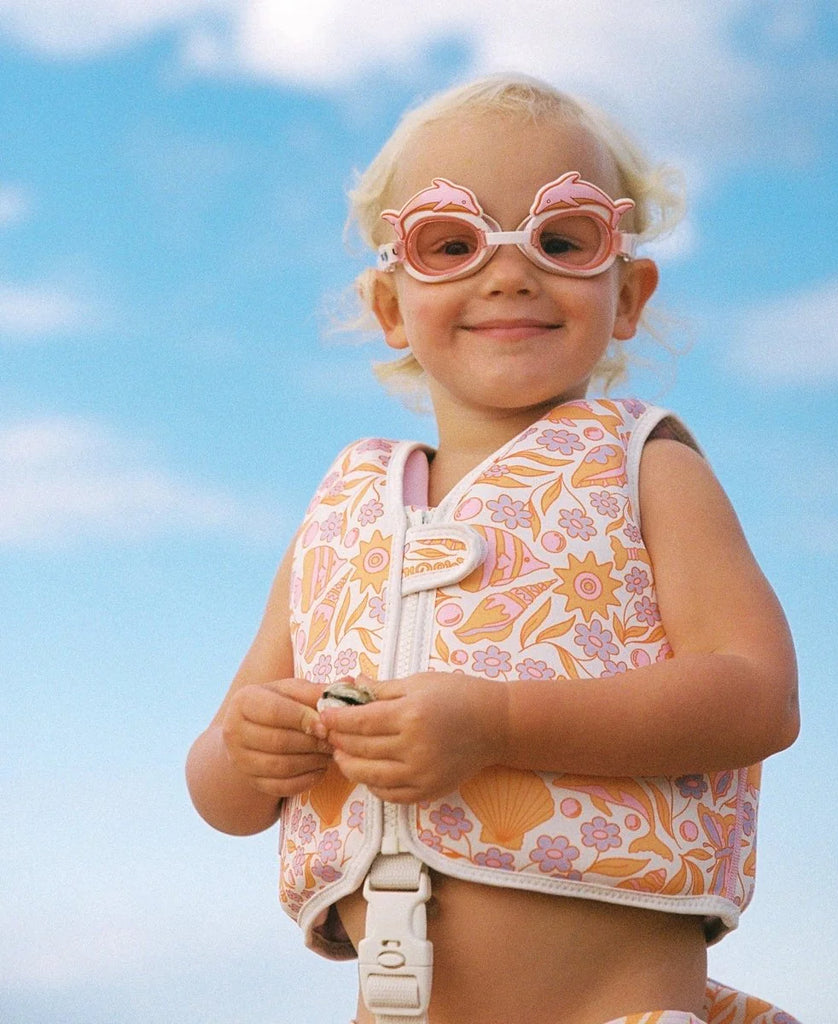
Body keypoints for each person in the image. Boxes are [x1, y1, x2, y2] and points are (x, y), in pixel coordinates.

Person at [186, 73, 801, 1024]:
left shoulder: (645, 467)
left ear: (627, 291)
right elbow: (223, 794)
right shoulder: (341, 515)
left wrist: (499, 723)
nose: (509, 273)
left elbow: (758, 693)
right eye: (452, 245)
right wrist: (246, 745)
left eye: (562, 239)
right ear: (391, 306)